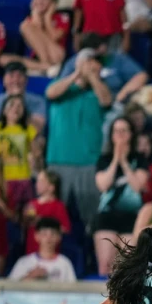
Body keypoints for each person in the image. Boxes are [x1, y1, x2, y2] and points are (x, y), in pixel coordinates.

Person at [46, 48, 111, 228]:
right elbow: (51, 92)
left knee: (93, 219)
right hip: (59, 161)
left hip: (89, 163)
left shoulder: (99, 91)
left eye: (95, 64)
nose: (92, 66)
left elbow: (106, 100)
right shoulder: (63, 88)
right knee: (54, 219)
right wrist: (77, 74)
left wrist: (92, 77)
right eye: (88, 62)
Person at [94, 117, 150, 276]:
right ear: (111, 135)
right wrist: (115, 160)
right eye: (116, 131)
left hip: (132, 216)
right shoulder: (104, 159)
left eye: (124, 130)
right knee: (106, 266)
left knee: (127, 267)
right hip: (107, 215)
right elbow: (103, 185)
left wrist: (124, 162)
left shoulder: (140, 159)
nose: (120, 134)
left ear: (131, 134)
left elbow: (138, 186)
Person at [56, 33, 149, 109]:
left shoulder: (117, 58)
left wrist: (122, 95)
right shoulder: (74, 62)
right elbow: (58, 88)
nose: (103, 50)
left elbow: (141, 76)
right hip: (85, 105)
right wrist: (78, 73)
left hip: (114, 104)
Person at [0, 94, 40, 212]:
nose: (16, 108)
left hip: (23, 178)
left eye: (20, 106)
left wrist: (35, 156)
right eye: (12, 105)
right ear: (4, 110)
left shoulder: (28, 130)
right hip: (2, 179)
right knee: (3, 212)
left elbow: (36, 153)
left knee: (25, 213)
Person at [0, 0, 70, 74]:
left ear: (53, 2)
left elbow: (54, 37)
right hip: (35, 59)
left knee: (25, 26)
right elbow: (33, 41)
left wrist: (47, 18)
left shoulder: (62, 17)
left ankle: (45, 65)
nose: (40, 1)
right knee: (3, 59)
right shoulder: (30, 20)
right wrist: (35, 15)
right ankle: (45, 67)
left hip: (55, 55)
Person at [0, 62, 47, 134]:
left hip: (27, 138)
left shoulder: (38, 101)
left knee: (39, 139)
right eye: (11, 76)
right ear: (4, 80)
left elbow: (38, 129)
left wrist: (20, 105)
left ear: (26, 80)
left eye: (20, 76)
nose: (16, 80)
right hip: (0, 138)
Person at [8, 216, 77, 282]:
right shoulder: (24, 262)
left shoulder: (64, 263)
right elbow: (9, 286)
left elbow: (73, 288)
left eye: (53, 234)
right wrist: (30, 276)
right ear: (36, 236)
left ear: (59, 237)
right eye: (44, 234)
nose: (49, 238)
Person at [22, 169, 71, 255]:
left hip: (50, 253)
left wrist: (43, 221)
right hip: (31, 251)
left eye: (41, 182)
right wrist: (26, 218)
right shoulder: (32, 204)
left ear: (51, 187)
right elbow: (25, 225)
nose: (37, 184)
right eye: (37, 181)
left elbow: (65, 229)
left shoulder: (58, 206)